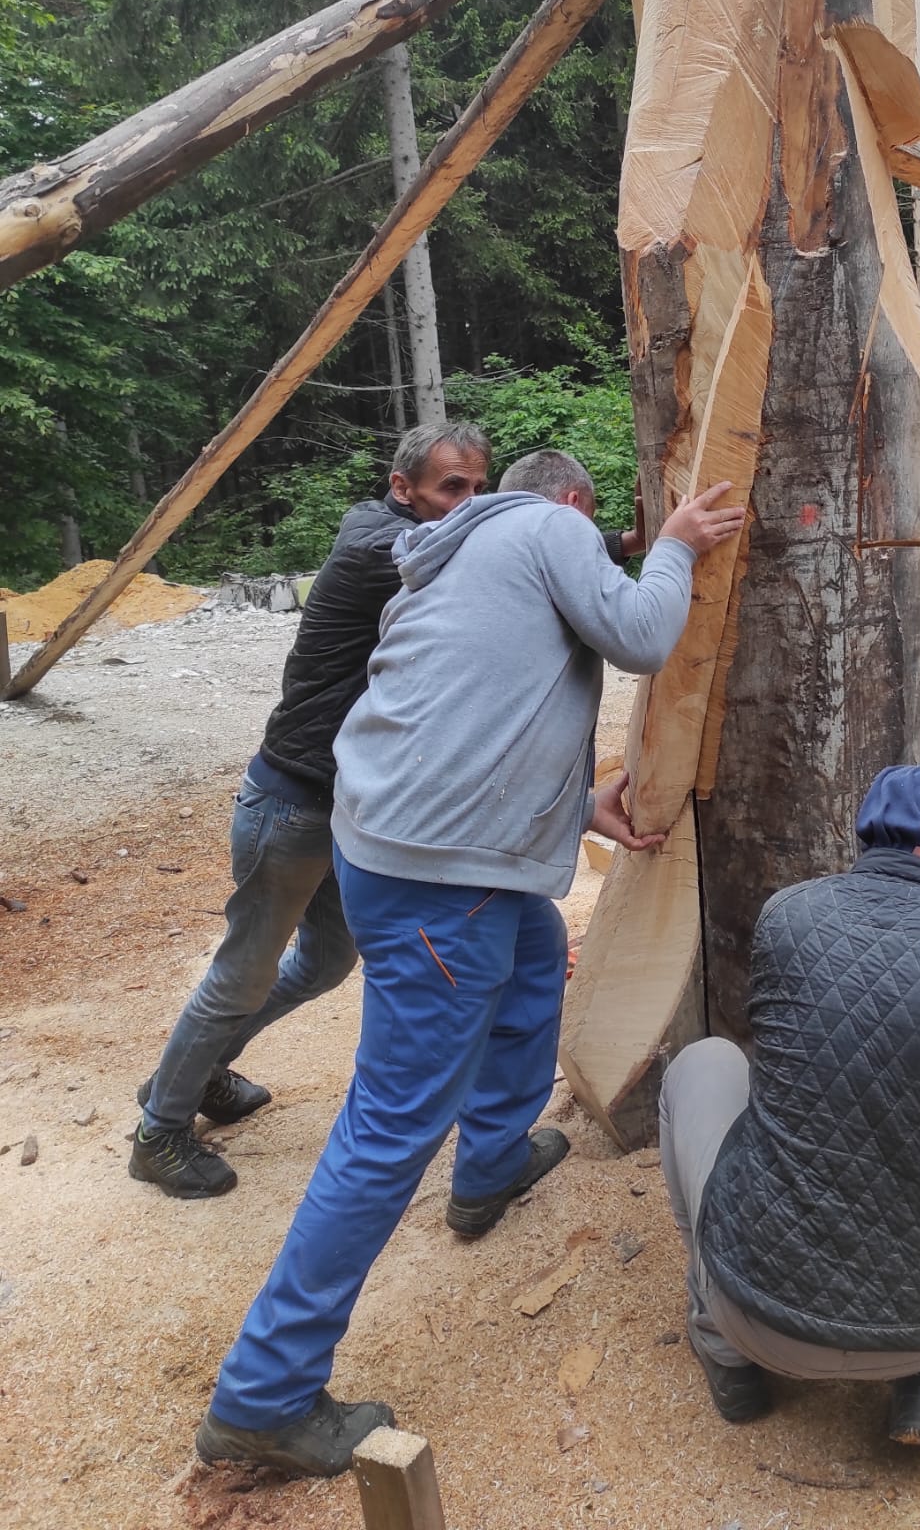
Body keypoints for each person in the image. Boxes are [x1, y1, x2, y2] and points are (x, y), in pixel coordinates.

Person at [194, 449, 746, 1478]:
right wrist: (669, 548)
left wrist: (573, 806)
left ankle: (488, 1165)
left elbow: (480, 706)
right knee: (388, 1127)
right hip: (439, 882)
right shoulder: (549, 525)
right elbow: (641, 635)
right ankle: (262, 1395)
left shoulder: (455, 551)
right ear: (571, 503)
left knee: (533, 950)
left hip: (391, 844)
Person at [657, 763, 920, 1450]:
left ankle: (724, 1347)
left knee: (708, 1062)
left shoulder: (786, 917)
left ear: (867, 845)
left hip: (759, 1314)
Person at [129, 421, 494, 1199]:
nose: (467, 502)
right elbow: (495, 559)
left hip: (338, 811)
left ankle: (198, 1070)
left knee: (327, 961)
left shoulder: (416, 537)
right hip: (291, 803)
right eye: (451, 487)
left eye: (478, 488)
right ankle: (159, 1130)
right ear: (403, 488)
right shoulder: (382, 548)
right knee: (241, 973)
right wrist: (611, 547)